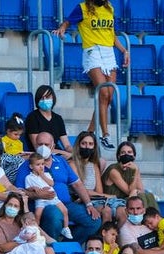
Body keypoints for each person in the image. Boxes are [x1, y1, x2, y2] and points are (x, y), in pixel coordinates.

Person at [54, 0, 129, 152]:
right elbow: (68, 21)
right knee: (103, 91)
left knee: (108, 97)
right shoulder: (83, 8)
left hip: (109, 52)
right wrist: (62, 28)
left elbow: (112, 34)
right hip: (92, 51)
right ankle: (105, 134)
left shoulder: (109, 8)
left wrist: (124, 51)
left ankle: (90, 132)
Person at [14, 134, 100, 244]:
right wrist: (37, 195)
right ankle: (52, 247)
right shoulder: (27, 165)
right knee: (54, 215)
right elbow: (19, 191)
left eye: (46, 144)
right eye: (40, 144)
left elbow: (77, 184)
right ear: (35, 146)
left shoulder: (61, 161)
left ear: (53, 146)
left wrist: (89, 204)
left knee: (94, 220)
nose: (43, 147)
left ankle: (67, 245)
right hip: (44, 205)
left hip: (66, 204)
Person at [101, 143, 156, 226]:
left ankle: (154, 222)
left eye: (129, 152)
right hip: (114, 202)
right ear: (119, 156)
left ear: (134, 156)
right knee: (139, 198)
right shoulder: (113, 170)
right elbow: (129, 192)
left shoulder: (133, 168)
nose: (126, 155)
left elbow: (141, 189)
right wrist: (136, 172)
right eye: (123, 152)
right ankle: (147, 223)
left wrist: (136, 173)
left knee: (147, 196)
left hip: (126, 200)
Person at [25, 151, 72, 240]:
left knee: (65, 210)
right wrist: (34, 188)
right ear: (31, 167)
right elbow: (27, 188)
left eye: (42, 164)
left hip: (53, 197)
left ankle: (65, 228)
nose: (41, 166)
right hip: (40, 200)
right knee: (38, 214)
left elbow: (51, 183)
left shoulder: (46, 174)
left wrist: (42, 175)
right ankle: (36, 230)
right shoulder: (29, 177)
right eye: (38, 164)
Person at [69, 131, 111, 223]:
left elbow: (99, 191)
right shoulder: (72, 164)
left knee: (119, 211)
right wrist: (108, 196)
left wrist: (97, 194)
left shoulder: (94, 165)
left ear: (94, 147)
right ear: (78, 145)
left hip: (94, 200)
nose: (87, 147)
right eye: (83, 143)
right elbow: (80, 189)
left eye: (90, 144)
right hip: (78, 200)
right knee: (106, 211)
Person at [24, 85, 74, 158]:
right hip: (39, 157)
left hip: (58, 154)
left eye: (47, 97)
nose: (44, 100)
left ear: (53, 98)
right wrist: (66, 154)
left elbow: (67, 145)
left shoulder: (58, 118)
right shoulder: (32, 117)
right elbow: (38, 148)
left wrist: (75, 153)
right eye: (42, 98)